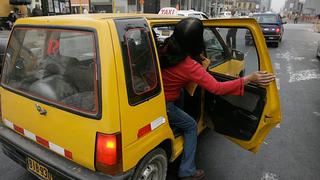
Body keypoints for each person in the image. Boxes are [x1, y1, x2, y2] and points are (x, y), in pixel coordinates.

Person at [159, 17, 275, 180]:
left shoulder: (163, 47)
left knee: (182, 95)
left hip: (160, 97)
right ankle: (187, 171)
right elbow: (217, 88)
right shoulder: (189, 66)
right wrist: (249, 78)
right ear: (196, 42)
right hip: (167, 105)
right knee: (191, 126)